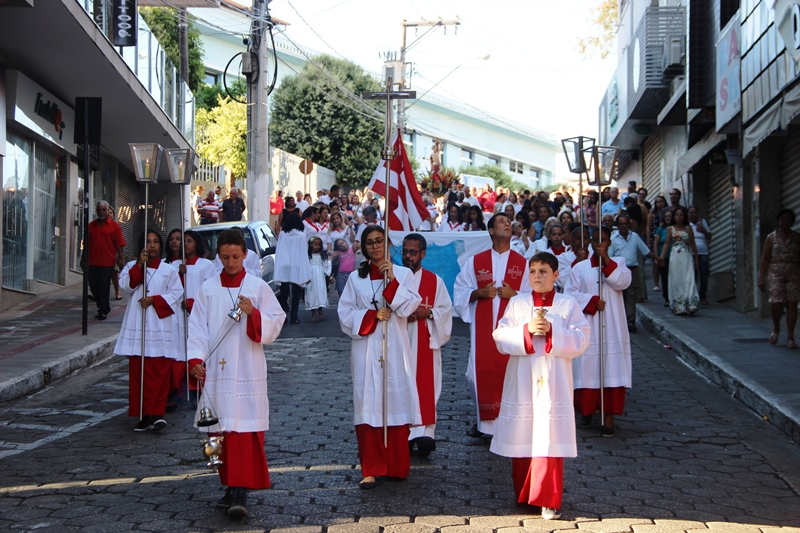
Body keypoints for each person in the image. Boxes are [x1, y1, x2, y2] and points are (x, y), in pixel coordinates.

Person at [187, 228, 285, 519]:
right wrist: (195, 358)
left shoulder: (256, 286)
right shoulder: (207, 288)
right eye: (225, 257)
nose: (231, 263)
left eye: (236, 257)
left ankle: (240, 489)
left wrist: (254, 313)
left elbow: (276, 321)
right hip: (216, 369)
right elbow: (197, 327)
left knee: (243, 430)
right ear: (218, 256)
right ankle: (229, 484)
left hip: (247, 365)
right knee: (220, 431)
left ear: (245, 255)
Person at [491, 252, 590, 520]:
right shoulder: (517, 303)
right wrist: (526, 330)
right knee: (523, 433)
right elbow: (499, 336)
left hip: (554, 381)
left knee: (549, 437)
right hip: (522, 379)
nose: (537, 276)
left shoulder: (568, 305)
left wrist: (553, 332)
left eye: (543, 271)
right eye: (533, 271)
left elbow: (582, 339)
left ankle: (548, 498)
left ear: (556, 275)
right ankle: (525, 493)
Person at [337, 225, 422, 489]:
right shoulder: (355, 279)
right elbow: (344, 314)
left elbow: (410, 306)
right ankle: (371, 469)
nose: (375, 246)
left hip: (394, 347)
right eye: (370, 242)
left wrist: (392, 281)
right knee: (367, 406)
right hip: (365, 349)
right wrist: (372, 316)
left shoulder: (405, 274)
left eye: (379, 241)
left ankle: (396, 466)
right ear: (363, 247)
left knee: (394, 403)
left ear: (387, 245)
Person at [454, 213, 532, 438]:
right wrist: (478, 292)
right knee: (476, 374)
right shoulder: (476, 261)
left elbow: (533, 295)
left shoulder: (522, 263)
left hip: (512, 328)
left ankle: (507, 423)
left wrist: (514, 294)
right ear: (490, 230)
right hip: (483, 328)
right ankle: (484, 422)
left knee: (508, 372)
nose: (507, 224)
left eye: (509, 222)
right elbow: (460, 289)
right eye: (501, 222)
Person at [564, 226, 631, 437]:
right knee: (587, 367)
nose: (598, 244)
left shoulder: (619, 263)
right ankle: (586, 411)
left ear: (609, 242)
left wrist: (606, 262)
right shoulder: (580, 267)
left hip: (612, 325)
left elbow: (622, 282)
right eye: (595, 240)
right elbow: (570, 294)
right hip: (589, 324)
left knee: (611, 368)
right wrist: (591, 301)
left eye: (602, 240)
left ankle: (609, 416)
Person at [114, 229, 183, 432]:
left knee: (159, 370)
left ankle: (158, 413)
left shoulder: (168, 269)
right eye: (148, 242)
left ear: (160, 245)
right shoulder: (131, 266)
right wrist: (139, 264)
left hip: (159, 323)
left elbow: (177, 292)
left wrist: (155, 300)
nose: (152, 245)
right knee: (139, 371)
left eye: (155, 242)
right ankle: (144, 415)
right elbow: (128, 286)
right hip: (138, 322)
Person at [401, 234, 453, 457]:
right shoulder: (394, 278)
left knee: (426, 384)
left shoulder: (434, 281)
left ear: (423, 254)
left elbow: (446, 309)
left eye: (413, 252)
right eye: (405, 251)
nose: (408, 256)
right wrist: (402, 315)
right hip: (400, 342)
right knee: (401, 385)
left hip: (424, 339)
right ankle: (403, 434)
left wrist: (428, 312)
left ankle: (425, 435)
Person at [610, 213, 661, 332]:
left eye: (625, 223)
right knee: (620, 297)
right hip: (619, 271)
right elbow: (610, 257)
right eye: (621, 224)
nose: (623, 226)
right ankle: (620, 322)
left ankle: (630, 322)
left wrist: (657, 258)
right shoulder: (613, 239)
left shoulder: (635, 237)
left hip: (632, 270)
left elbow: (645, 251)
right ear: (617, 225)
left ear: (629, 224)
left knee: (631, 296)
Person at [758, 208, 800, 348]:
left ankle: (790, 336)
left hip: (793, 272)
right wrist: (761, 277)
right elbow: (765, 258)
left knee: (792, 303)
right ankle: (776, 328)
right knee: (777, 303)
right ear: (778, 221)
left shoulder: (796, 237)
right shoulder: (771, 237)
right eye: (782, 219)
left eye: (788, 219)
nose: (785, 222)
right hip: (776, 272)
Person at [86, 200, 126, 320]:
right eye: (99, 210)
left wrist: (120, 259)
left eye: (104, 210)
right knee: (93, 285)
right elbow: (86, 244)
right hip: (93, 261)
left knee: (104, 286)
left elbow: (120, 244)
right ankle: (103, 304)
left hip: (107, 262)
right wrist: (83, 259)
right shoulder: (91, 226)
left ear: (108, 211)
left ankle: (103, 310)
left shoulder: (114, 226)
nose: (101, 212)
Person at [275, 207, 311, 325]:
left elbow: (279, 250)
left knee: (284, 294)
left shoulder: (282, 234)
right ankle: (294, 316)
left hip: (284, 265)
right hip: (297, 265)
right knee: (296, 293)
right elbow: (304, 251)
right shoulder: (301, 236)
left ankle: (284, 315)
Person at [660, 207, 699, 316]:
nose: (679, 217)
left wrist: (696, 257)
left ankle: (691, 304)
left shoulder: (688, 228)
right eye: (677, 215)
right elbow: (666, 244)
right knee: (676, 279)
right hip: (675, 257)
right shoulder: (670, 229)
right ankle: (679, 305)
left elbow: (693, 243)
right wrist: (662, 257)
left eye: (681, 215)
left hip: (686, 256)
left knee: (689, 278)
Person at [688, 206, 712, 305]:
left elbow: (710, 236)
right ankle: (692, 296)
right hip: (691, 253)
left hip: (703, 253)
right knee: (692, 275)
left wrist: (703, 230)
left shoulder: (703, 222)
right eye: (691, 213)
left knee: (704, 274)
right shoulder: (687, 225)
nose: (693, 215)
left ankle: (702, 295)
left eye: (695, 213)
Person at [306, 236, 331, 322]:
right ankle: (313, 313)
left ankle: (320, 309)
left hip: (320, 277)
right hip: (311, 277)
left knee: (320, 291)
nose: (318, 247)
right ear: (310, 245)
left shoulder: (322, 256)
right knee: (311, 293)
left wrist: (328, 274)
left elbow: (325, 266)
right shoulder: (308, 256)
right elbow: (305, 266)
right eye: (316, 244)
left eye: (319, 245)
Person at [646, 196, 668, 291]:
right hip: (654, 238)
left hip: (665, 238)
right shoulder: (652, 214)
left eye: (661, 201)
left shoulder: (668, 213)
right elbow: (648, 227)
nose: (660, 203)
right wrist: (648, 241)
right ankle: (656, 283)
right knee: (656, 262)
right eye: (657, 202)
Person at [653, 209, 673, 307]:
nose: (668, 218)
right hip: (663, 257)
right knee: (665, 278)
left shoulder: (675, 228)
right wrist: (657, 257)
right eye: (666, 217)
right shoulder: (660, 229)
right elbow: (656, 244)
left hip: (675, 256)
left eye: (670, 216)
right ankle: (667, 298)